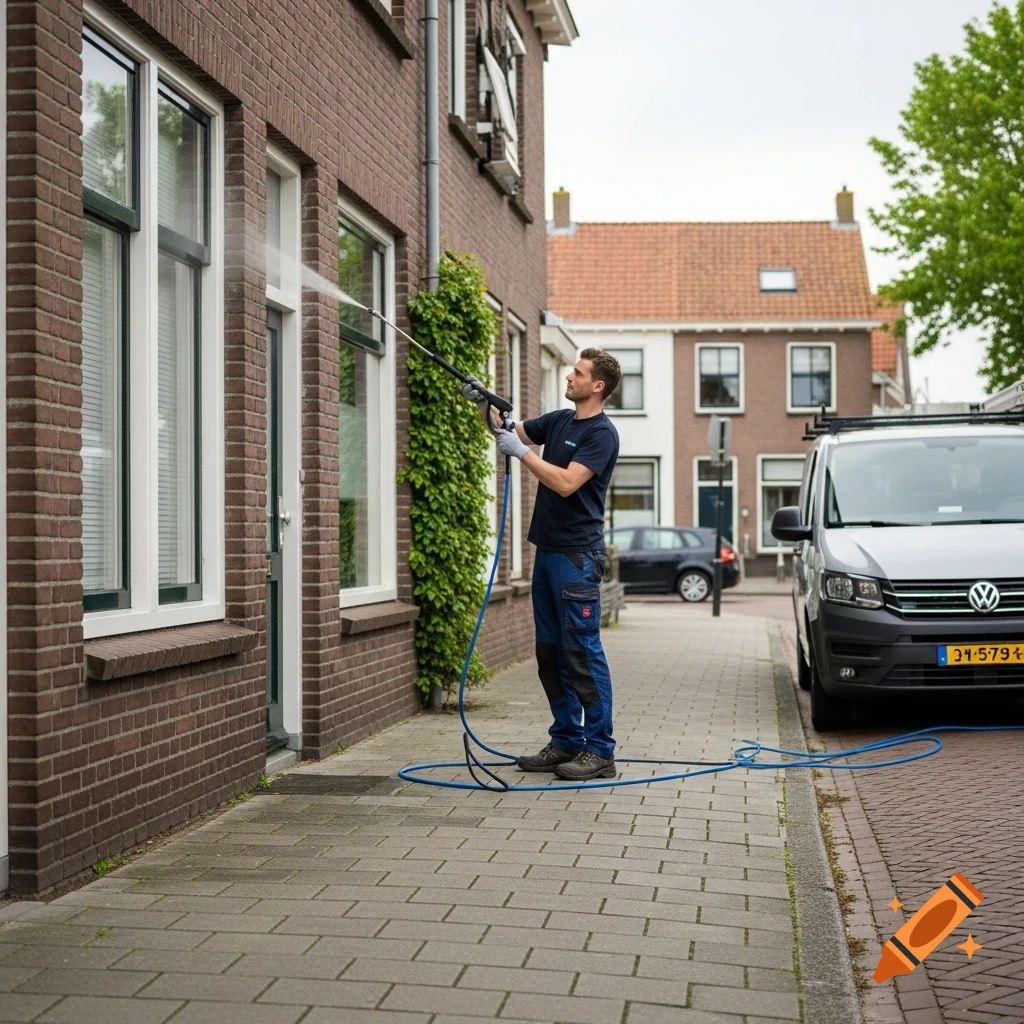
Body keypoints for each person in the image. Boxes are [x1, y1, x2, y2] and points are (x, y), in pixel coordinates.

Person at [462, 349, 621, 781]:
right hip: (547, 553)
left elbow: (567, 483)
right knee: (550, 654)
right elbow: (507, 429)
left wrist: (522, 455)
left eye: (578, 373)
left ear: (597, 386)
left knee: (582, 654)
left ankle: (600, 751)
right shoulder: (558, 420)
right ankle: (567, 740)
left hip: (577, 558)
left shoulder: (602, 435)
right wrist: (485, 404)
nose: (570, 376)